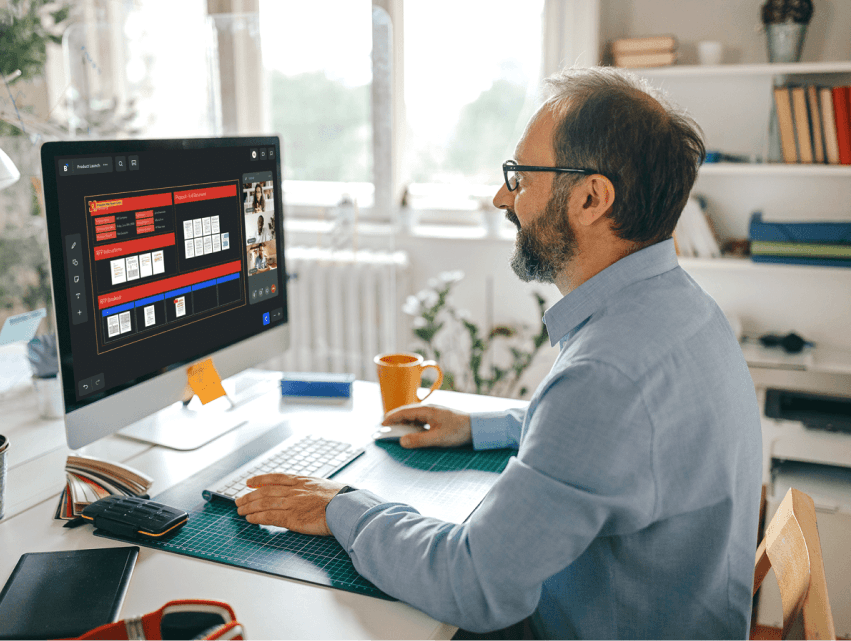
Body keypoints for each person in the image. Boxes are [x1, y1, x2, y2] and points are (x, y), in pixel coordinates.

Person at [234, 67, 762, 639]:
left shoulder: (606, 376)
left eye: (521, 177)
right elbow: (617, 440)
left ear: (590, 197)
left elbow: (474, 585)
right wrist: (480, 427)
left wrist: (342, 507)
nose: (501, 197)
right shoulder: (682, 310)